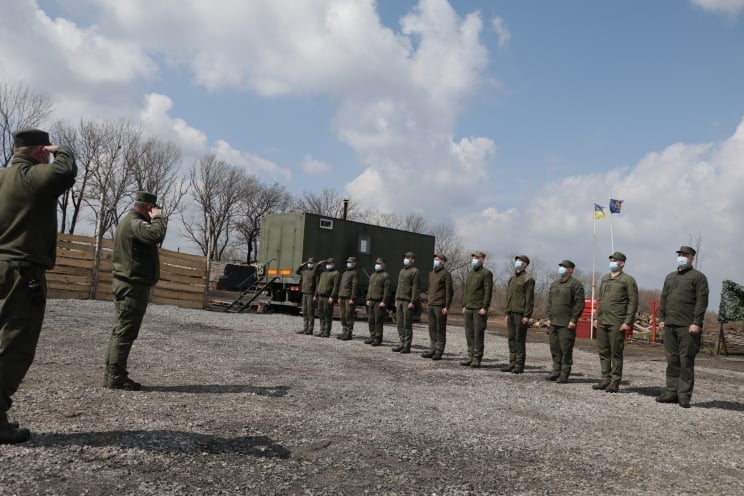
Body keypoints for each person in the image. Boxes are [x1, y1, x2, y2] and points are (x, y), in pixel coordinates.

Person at [0, 129, 76, 444]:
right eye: (44, 152)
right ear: (37, 152)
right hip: (20, 271)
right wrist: (62, 149)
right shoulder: (30, 176)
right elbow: (65, 171)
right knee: (14, 344)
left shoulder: (3, 176)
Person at [104, 191, 167, 391]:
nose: (154, 213)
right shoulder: (135, 222)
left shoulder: (129, 221)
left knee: (122, 331)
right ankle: (115, 377)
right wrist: (158, 218)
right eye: (152, 209)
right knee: (125, 332)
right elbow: (155, 234)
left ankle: (113, 374)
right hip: (132, 286)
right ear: (148, 207)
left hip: (129, 284)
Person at [656, 246, 709, 408]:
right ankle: (671, 392)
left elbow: (701, 301)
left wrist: (696, 322)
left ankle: (684, 395)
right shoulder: (670, 277)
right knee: (672, 360)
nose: (681, 257)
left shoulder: (698, 277)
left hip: (687, 326)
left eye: (684, 255)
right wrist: (661, 318)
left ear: (692, 257)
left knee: (686, 360)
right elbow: (664, 298)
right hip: (670, 324)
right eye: (679, 254)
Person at [592, 251, 638, 393]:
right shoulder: (605, 278)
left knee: (616, 352)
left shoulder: (628, 280)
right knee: (603, 351)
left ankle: (615, 381)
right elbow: (601, 300)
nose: (612, 262)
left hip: (617, 321)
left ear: (622, 263)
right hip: (603, 320)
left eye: (615, 260)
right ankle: (605, 379)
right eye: (611, 259)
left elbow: (633, 302)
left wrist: (627, 321)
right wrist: (596, 318)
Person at [545, 260, 585, 383]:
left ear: (571, 269)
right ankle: (556, 371)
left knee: (566, 349)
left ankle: (564, 373)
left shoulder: (575, 284)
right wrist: (548, 318)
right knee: (555, 348)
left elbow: (579, 303)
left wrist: (574, 320)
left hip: (566, 323)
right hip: (554, 323)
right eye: (560, 266)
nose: (561, 268)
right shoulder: (555, 284)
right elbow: (550, 302)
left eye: (564, 267)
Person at [460, 251, 493, 368]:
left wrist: (485, 307)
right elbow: (467, 290)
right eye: (473, 257)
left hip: (479, 309)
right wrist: (464, 305)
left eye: (476, 258)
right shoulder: (470, 273)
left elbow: (488, 292)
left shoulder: (486, 273)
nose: (474, 259)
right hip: (468, 307)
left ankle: (477, 358)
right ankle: (470, 356)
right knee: (469, 333)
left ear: (482, 260)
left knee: (478, 333)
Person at [502, 255, 535, 374]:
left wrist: (527, 315)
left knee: (519, 339)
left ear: (525, 264)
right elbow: (509, 297)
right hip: (511, 313)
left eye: (520, 261)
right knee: (511, 338)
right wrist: (507, 312)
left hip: (521, 314)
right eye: (516, 260)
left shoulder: (528, 279)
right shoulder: (512, 279)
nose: (517, 262)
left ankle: (519, 365)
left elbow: (529, 299)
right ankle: (512, 363)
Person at [423, 254, 453, 360]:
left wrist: (446, 306)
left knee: (440, 328)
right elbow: (430, 289)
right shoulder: (431, 274)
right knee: (432, 328)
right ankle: (432, 349)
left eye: (437, 260)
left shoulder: (446, 274)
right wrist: (428, 302)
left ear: (443, 262)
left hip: (440, 306)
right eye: (434, 259)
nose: (435, 261)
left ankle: (439, 351)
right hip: (431, 304)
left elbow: (449, 291)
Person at [393, 251, 420, 354]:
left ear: (412, 260)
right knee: (399, 323)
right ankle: (401, 343)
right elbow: (398, 287)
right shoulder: (401, 271)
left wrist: (413, 301)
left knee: (407, 323)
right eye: (405, 257)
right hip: (399, 300)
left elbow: (415, 289)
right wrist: (396, 299)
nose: (406, 259)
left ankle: (407, 345)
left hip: (407, 301)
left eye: (408, 257)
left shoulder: (415, 271)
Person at [365, 257, 391, 346]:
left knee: (378, 321)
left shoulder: (385, 276)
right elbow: (369, 288)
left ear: (383, 265)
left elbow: (387, 291)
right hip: (371, 301)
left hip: (379, 301)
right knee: (370, 320)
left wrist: (384, 301)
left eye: (379, 264)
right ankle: (372, 336)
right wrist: (368, 298)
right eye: (376, 263)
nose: (377, 265)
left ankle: (378, 338)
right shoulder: (372, 275)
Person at [295, 257, 322, 335]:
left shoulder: (315, 273)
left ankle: (310, 329)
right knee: (305, 311)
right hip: (304, 293)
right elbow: (297, 272)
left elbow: (317, 285)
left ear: (314, 264)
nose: (309, 264)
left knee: (311, 312)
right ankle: (305, 328)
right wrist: (301, 265)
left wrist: (316, 295)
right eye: (309, 263)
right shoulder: (304, 271)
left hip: (311, 294)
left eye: (311, 263)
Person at [315, 258, 340, 337]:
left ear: (333, 264)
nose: (327, 265)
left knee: (327, 315)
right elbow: (314, 272)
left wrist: (332, 297)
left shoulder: (336, 273)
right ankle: (322, 330)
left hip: (328, 297)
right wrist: (319, 264)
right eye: (326, 264)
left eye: (329, 264)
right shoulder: (323, 273)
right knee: (321, 314)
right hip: (321, 297)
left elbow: (336, 287)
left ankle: (327, 331)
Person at [337, 256, 359, 341]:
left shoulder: (354, 273)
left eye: (350, 262)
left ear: (354, 263)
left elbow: (354, 286)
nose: (348, 264)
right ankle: (344, 331)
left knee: (349, 315)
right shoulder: (345, 273)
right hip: (342, 296)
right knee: (342, 316)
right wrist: (339, 296)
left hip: (349, 297)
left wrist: (352, 298)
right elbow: (341, 286)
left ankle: (349, 333)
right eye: (347, 262)